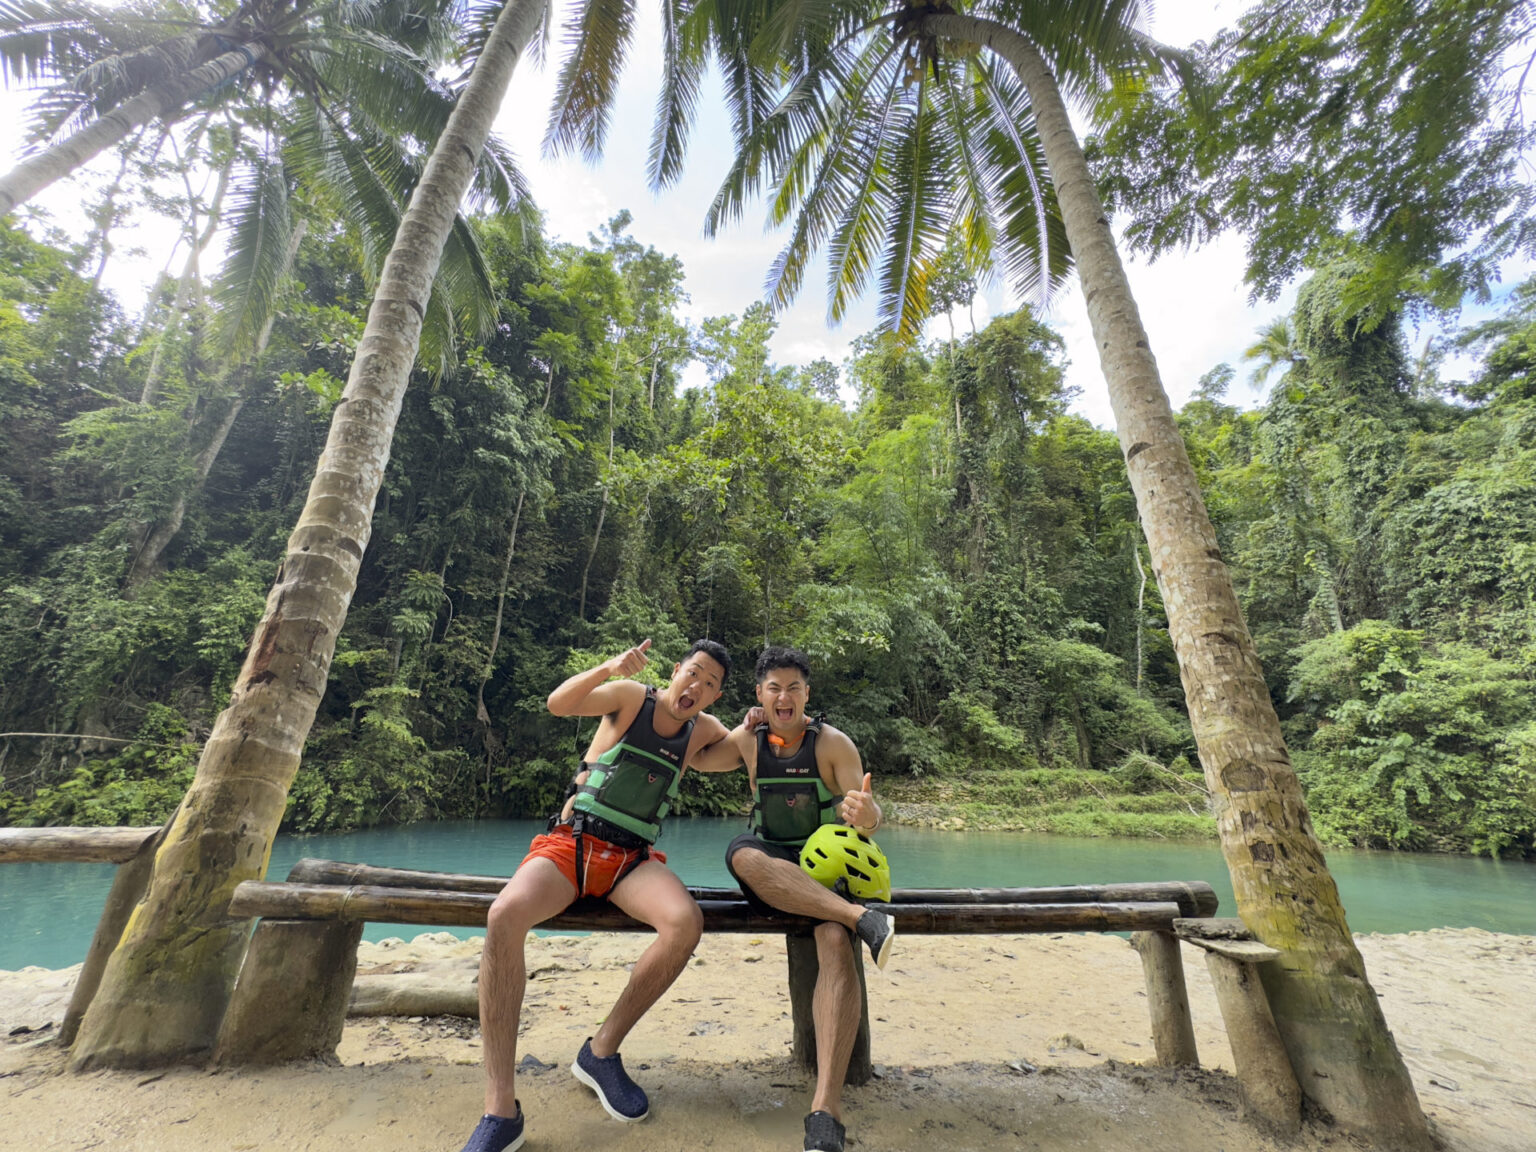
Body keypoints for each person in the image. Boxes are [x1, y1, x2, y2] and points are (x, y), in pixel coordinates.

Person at [458, 638, 732, 1152]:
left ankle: (601, 1052)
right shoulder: (630, 697)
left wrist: (765, 718)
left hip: (631, 862)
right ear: (677, 670)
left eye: (710, 683)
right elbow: (558, 704)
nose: (697, 685)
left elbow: (743, 752)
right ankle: (500, 1108)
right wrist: (609, 667)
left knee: (684, 924)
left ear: (716, 696)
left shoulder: (704, 731)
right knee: (504, 915)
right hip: (575, 844)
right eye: (693, 672)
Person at [693, 645, 893, 1152]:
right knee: (742, 855)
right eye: (774, 688)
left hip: (823, 869)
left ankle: (826, 1110)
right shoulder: (748, 739)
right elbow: (697, 757)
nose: (784, 697)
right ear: (759, 695)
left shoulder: (833, 744)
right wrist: (716, 715)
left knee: (834, 944)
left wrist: (868, 815)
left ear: (807, 694)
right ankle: (860, 918)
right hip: (773, 870)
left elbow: (868, 819)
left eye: (794, 688)